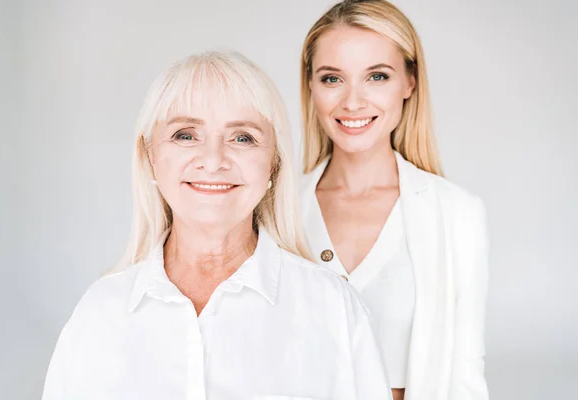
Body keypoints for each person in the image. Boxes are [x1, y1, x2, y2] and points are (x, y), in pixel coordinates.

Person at [42, 50, 392, 400]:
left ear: (273, 165)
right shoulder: (100, 312)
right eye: (185, 135)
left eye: (243, 138)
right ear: (149, 156)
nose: (213, 161)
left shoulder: (333, 308)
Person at [299, 1, 489, 399]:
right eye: (332, 78)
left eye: (377, 76)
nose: (352, 102)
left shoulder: (456, 214)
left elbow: (465, 372)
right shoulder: (275, 210)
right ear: (311, 86)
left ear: (409, 82)